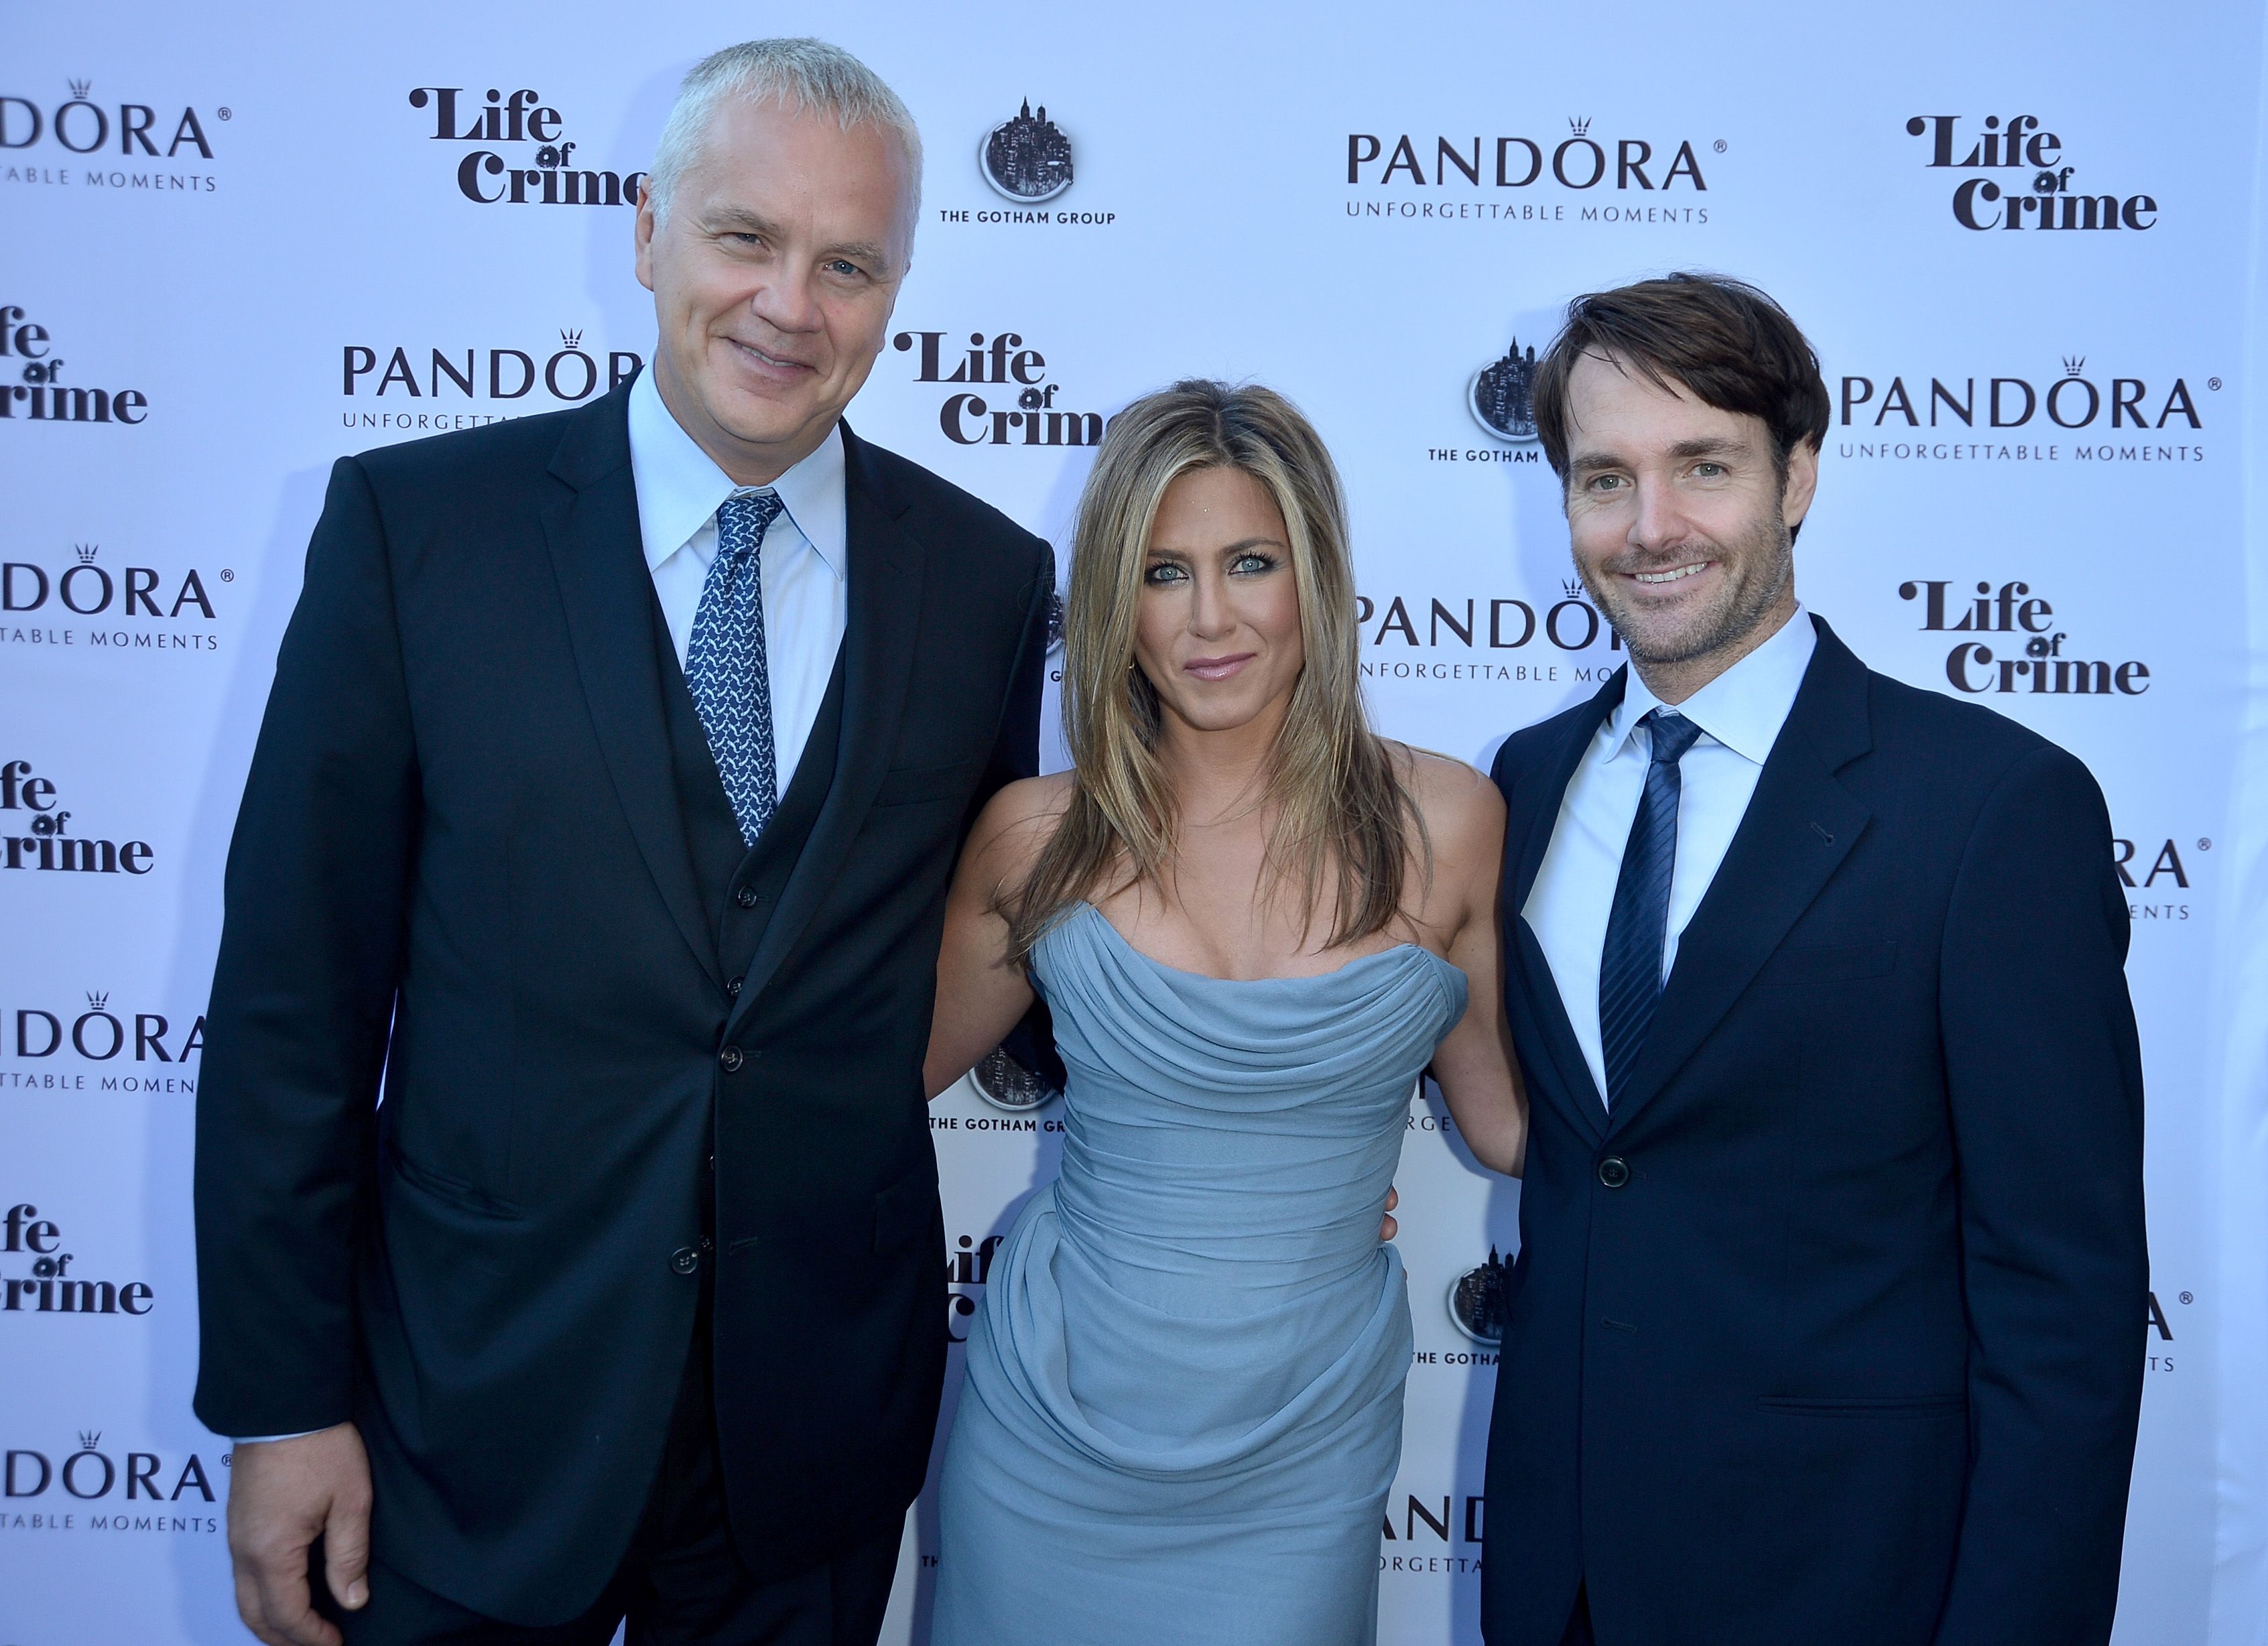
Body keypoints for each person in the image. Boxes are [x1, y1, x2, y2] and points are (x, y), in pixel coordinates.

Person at [192, 39, 1053, 1646]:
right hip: (465, 1422)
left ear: (898, 286)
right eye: (745, 237)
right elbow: (293, 1010)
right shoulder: (415, 533)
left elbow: (997, 946)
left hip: (808, 1452)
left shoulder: (987, 582)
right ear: (648, 230)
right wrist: (281, 1402)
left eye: (848, 263)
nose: (790, 305)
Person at [1481, 273, 2148, 1645]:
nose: (1650, 526)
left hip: (1849, 1584)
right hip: (1566, 1581)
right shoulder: (1527, 782)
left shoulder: (1988, 807)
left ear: (1797, 476)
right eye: (1605, 479)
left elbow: (2063, 1301)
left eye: (1704, 466)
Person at [920, 380, 1527, 1645]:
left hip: (1304, 1449)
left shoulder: (1450, 825)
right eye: (1163, 573)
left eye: (1251, 563)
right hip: (1049, 1429)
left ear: (1317, 578)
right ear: (1114, 603)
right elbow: (859, 1084)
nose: (1210, 617)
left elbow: (1513, 1129)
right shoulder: (1037, 840)